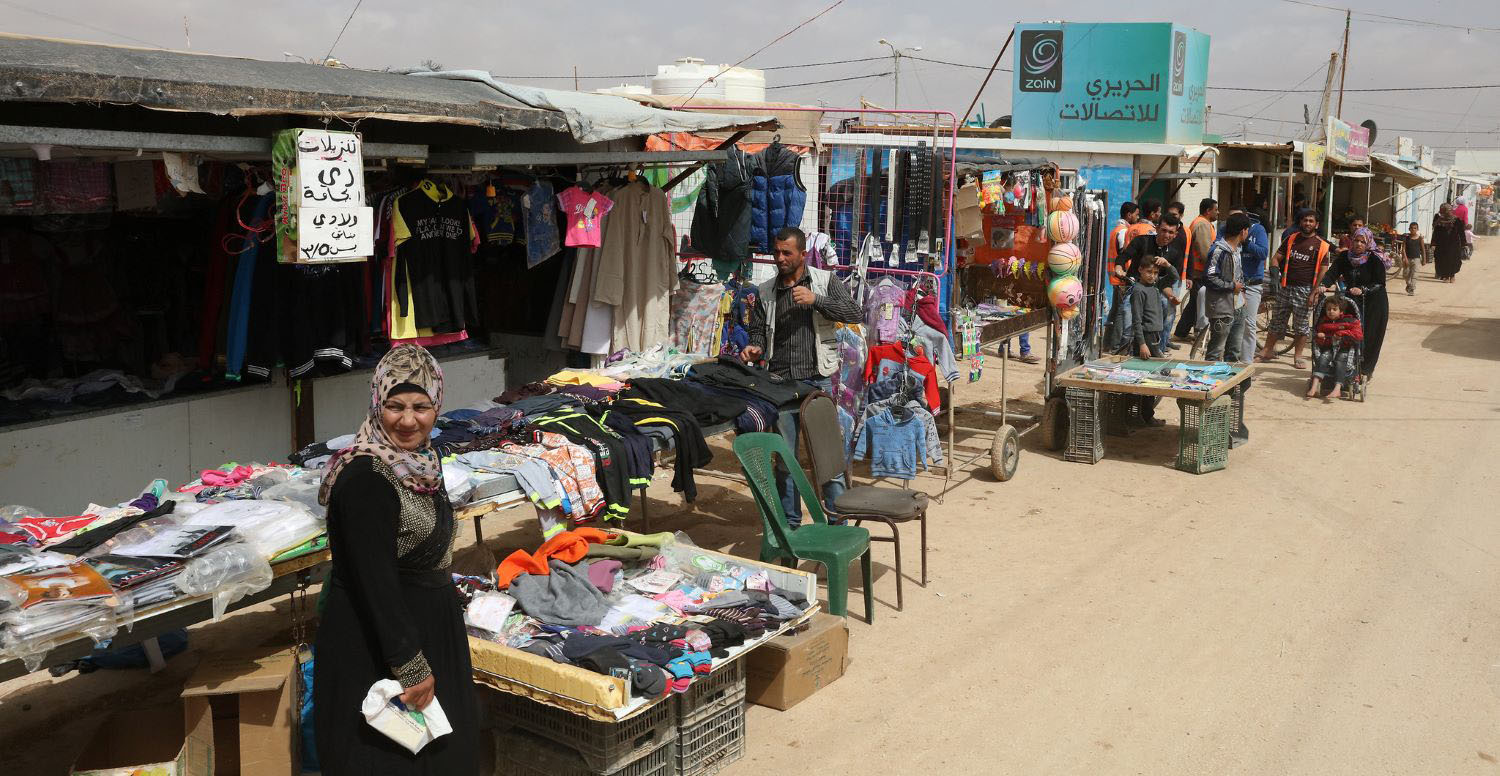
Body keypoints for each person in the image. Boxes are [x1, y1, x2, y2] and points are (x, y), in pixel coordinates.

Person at [315, 344, 479, 776]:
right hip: (378, 640)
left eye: (421, 407)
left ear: (437, 405)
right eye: (395, 406)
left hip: (425, 625)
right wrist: (410, 665)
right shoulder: (366, 478)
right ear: (377, 403)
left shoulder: (422, 462)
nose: (408, 420)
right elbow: (374, 581)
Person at [744, 226, 862, 528]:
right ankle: (791, 528)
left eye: (787, 253)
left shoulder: (824, 282)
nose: (780, 258)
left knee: (827, 458)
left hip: (817, 381)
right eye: (777, 252)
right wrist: (755, 347)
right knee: (785, 462)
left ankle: (838, 527)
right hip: (780, 385)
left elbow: (854, 312)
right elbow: (758, 329)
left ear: (802, 254)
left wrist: (816, 300)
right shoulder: (766, 290)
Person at [1259, 209, 1330, 369]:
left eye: (1311, 221)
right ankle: (1267, 350)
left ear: (1316, 224)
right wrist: (1275, 275)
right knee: (1276, 321)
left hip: (1305, 290)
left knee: (1301, 325)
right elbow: (1276, 258)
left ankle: (1297, 357)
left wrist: (1314, 293)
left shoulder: (1322, 245)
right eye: (1305, 220)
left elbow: (1323, 272)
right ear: (1300, 222)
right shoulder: (1291, 239)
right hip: (1285, 288)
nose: (1308, 223)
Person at [1317, 227, 1389, 379]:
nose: (1358, 244)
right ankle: (1346, 366)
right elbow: (1332, 273)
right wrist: (1324, 284)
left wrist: (1363, 289)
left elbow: (1380, 283)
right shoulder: (1345, 257)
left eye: (1362, 242)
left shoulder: (1375, 259)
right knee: (1348, 331)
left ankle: (1365, 369)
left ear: (1368, 243)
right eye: (1356, 240)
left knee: (1370, 336)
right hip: (1352, 299)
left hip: (1374, 301)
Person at [1112, 214, 1185, 353]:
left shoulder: (1175, 253)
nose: (1166, 235)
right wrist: (1119, 267)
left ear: (1175, 235)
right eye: (1163, 230)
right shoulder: (1142, 241)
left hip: (1156, 291)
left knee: (1169, 309)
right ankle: (1119, 351)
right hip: (1135, 288)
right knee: (1128, 316)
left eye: (1171, 232)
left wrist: (1171, 296)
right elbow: (1124, 256)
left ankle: (1160, 348)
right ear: (1157, 228)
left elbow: (1169, 281)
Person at [1127, 259, 1178, 425]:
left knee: (1152, 376)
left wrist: (1167, 264)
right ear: (1140, 270)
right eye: (1149, 272)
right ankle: (1145, 416)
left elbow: (1174, 276)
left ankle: (1144, 415)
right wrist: (1141, 343)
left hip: (1155, 337)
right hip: (1146, 338)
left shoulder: (1155, 287)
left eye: (1156, 273)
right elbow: (1136, 320)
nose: (1152, 276)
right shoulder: (1138, 291)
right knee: (1149, 378)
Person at [1202, 212, 1249, 361]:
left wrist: (1242, 295)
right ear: (1243, 231)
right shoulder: (1218, 250)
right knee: (1215, 351)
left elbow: (1238, 276)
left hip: (1238, 307)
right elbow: (1209, 278)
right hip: (1221, 309)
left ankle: (1230, 382)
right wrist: (1231, 287)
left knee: (1234, 351)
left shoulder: (1237, 251)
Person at [1173, 198, 1218, 343]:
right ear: (1208, 211)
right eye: (1216, 209)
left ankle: (1181, 332)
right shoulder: (1202, 225)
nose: (1218, 212)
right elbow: (1205, 251)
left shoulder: (1203, 223)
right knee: (1199, 304)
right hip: (1200, 272)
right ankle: (1198, 333)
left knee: (1194, 303)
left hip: (1199, 271)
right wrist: (1213, 269)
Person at [1306, 295, 1362, 400]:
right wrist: (1320, 337)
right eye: (1328, 309)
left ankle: (1337, 388)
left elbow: (1358, 335)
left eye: (1334, 309)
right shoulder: (1323, 322)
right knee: (1323, 357)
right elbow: (1318, 340)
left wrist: (1342, 333)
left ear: (1341, 311)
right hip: (1329, 347)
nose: (1331, 311)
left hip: (1345, 347)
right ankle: (1314, 385)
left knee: (1341, 359)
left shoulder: (1350, 321)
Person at [1234, 208, 1270, 361]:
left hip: (1252, 284)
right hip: (1233, 283)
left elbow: (1263, 253)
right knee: (1231, 324)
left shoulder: (1258, 230)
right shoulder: (1227, 230)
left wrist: (1247, 242)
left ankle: (1246, 364)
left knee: (1248, 325)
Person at [1104, 202, 1140, 351]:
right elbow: (1123, 256)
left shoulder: (1117, 230)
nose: (1138, 218)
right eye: (1136, 215)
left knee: (1116, 310)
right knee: (1120, 312)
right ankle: (1116, 344)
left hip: (1117, 277)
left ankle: (1109, 342)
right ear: (1129, 215)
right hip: (1122, 278)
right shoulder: (1123, 232)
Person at [1432, 203, 1466, 283]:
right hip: (1442, 244)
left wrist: (1464, 244)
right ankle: (1446, 276)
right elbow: (1435, 233)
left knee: (1453, 259)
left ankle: (1452, 275)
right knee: (1442, 259)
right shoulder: (1439, 221)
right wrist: (1433, 243)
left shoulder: (1457, 220)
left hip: (1454, 244)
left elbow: (1461, 233)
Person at [1401, 221, 1424, 295]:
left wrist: (1424, 259)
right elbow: (1403, 249)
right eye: (1411, 228)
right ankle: (1409, 284)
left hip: (1416, 259)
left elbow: (1423, 250)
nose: (1413, 229)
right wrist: (1405, 259)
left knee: (1415, 274)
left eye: (1415, 228)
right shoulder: (1406, 238)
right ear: (1409, 229)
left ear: (1417, 229)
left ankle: (1412, 289)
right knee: (1406, 274)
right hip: (1407, 258)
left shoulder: (1420, 238)